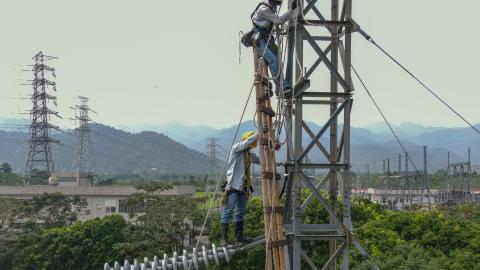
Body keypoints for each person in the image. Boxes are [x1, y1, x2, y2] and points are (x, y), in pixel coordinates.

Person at [220, 131, 259, 245]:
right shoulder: (236, 149)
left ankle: (239, 238)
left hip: (243, 187)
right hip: (232, 186)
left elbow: (262, 161)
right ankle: (224, 239)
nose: (251, 146)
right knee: (228, 211)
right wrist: (260, 133)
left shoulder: (249, 155)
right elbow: (248, 142)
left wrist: (280, 164)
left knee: (240, 212)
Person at [251, 0, 297, 97]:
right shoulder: (263, 9)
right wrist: (291, 10)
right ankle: (282, 87)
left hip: (268, 39)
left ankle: (278, 89)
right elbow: (279, 20)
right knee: (273, 60)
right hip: (260, 41)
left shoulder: (272, 5)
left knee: (278, 60)